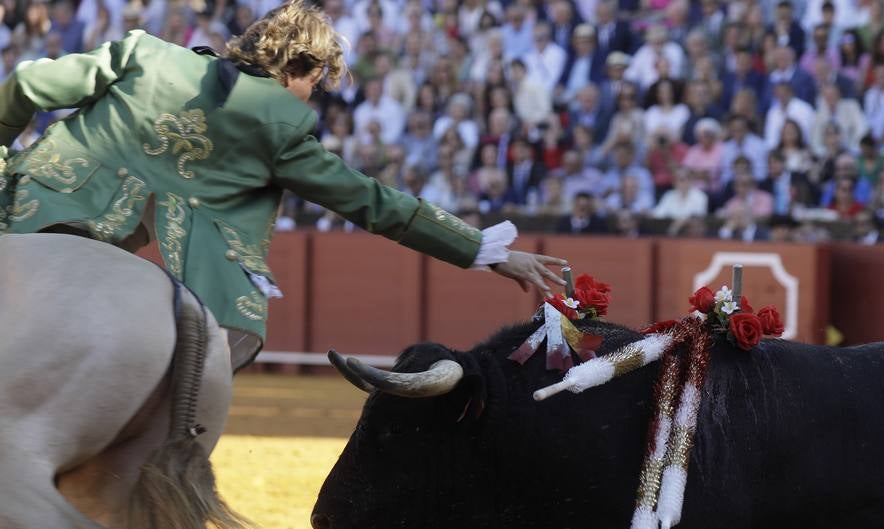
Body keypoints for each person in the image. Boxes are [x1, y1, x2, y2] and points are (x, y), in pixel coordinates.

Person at [0, 0, 566, 372]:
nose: (314, 96)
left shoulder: (144, 51)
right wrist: (485, 251)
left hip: (37, 207)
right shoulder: (285, 127)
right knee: (210, 361)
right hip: (202, 285)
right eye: (317, 83)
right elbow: (375, 204)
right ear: (306, 71)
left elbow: (27, 82)